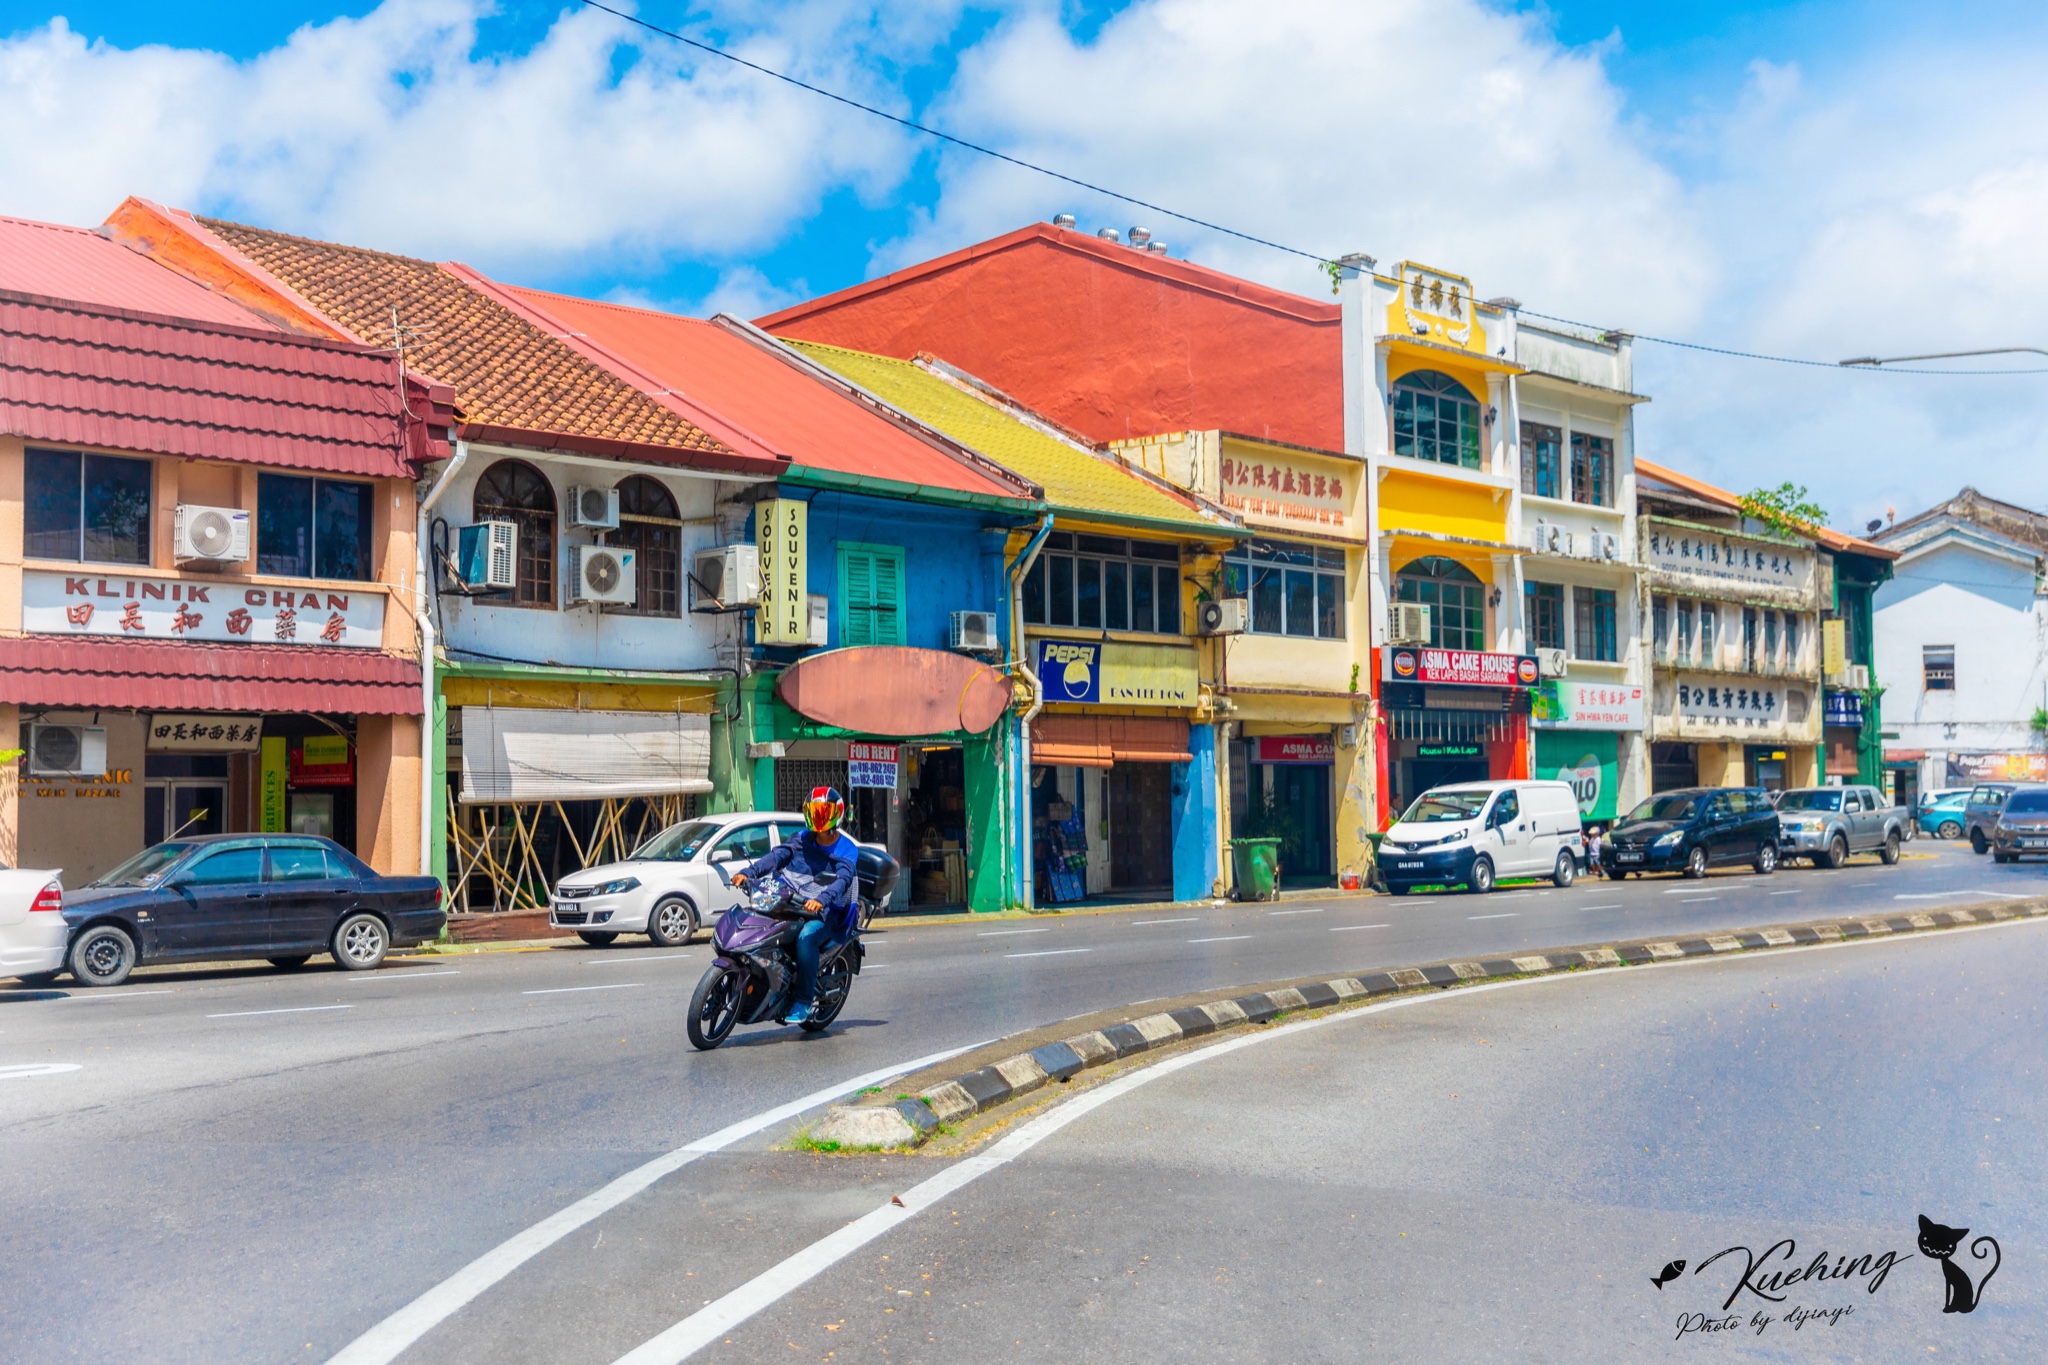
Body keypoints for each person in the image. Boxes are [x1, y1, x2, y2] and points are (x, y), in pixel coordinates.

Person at [730, 786, 860, 1025]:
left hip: (828, 912)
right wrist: (748, 873)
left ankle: (803, 999)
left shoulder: (846, 849)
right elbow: (776, 857)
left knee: (806, 938)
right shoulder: (800, 839)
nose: (819, 818)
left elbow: (842, 881)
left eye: (824, 812)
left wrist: (821, 900)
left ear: (836, 814)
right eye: (815, 812)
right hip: (793, 902)